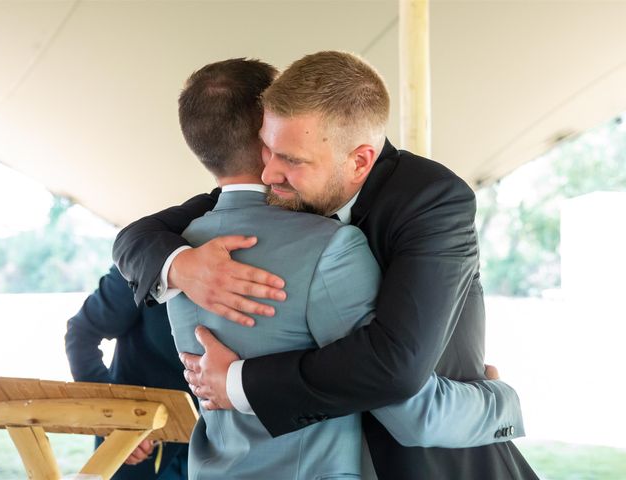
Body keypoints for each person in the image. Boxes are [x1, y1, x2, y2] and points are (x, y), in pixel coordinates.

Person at [114, 51, 538, 479]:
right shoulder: (281, 183)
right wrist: (181, 265)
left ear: (359, 161)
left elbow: (394, 368)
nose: (267, 175)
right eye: (267, 150)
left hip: (435, 461)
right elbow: (136, 238)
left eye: (290, 160)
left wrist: (237, 383)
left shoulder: (431, 201)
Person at [65, 265, 192, 480]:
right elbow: (82, 335)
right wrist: (115, 417)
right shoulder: (144, 257)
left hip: (225, 452)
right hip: (138, 451)